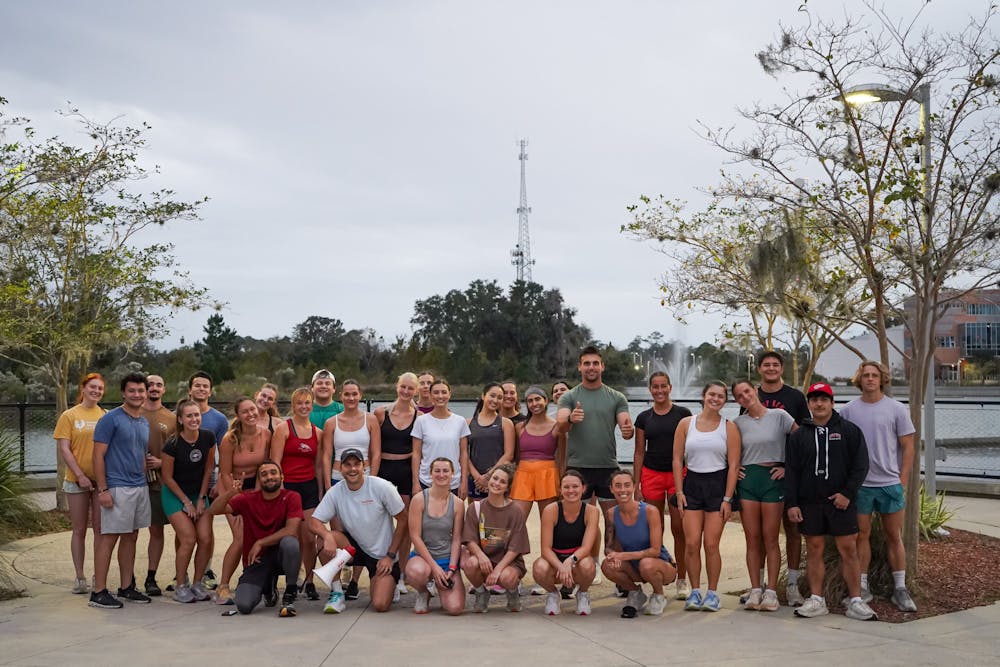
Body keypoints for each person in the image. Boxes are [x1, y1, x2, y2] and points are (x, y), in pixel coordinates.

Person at [785, 382, 877, 621]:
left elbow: (861, 466)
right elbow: (792, 471)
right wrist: (792, 503)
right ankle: (817, 599)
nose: (819, 403)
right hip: (810, 503)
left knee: (849, 550)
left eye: (823, 399)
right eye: (814, 399)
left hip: (841, 503)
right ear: (809, 404)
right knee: (814, 549)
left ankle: (856, 600)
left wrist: (847, 494)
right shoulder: (799, 435)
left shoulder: (849, 430)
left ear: (832, 402)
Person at [840, 361, 917, 612]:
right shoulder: (849, 411)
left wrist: (902, 480)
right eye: (866, 375)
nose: (870, 379)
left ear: (882, 379)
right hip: (861, 486)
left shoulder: (896, 408)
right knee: (861, 536)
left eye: (874, 375)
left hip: (890, 485)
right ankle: (862, 587)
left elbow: (908, 446)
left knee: (894, 536)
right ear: (859, 380)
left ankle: (900, 589)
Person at [556, 346, 634, 578]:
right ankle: (582, 564)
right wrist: (570, 418)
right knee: (576, 521)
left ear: (602, 366)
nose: (591, 367)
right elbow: (560, 424)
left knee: (613, 521)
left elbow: (625, 426)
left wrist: (628, 430)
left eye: (595, 363)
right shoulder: (570, 396)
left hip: (607, 467)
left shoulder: (616, 397)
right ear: (580, 367)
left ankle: (612, 564)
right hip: (578, 468)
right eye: (586, 363)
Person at [309, 448, 408, 614]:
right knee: (322, 540)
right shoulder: (336, 491)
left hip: (382, 556)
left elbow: (404, 520)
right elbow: (314, 521)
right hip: (354, 548)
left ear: (365, 467)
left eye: (357, 464)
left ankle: (390, 586)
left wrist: (390, 556)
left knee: (380, 605)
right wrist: (327, 535)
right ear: (340, 469)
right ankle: (337, 593)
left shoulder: (382, 487)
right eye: (347, 465)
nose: (352, 469)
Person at [673, 381, 740, 612]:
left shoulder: (729, 427)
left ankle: (712, 593)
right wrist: (679, 491)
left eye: (721, 396)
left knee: (711, 544)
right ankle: (694, 591)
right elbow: (676, 459)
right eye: (712, 394)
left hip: (717, 487)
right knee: (691, 543)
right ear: (703, 396)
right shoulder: (685, 424)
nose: (715, 399)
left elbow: (733, 466)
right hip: (692, 485)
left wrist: (728, 498)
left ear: (725, 401)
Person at [89, 372, 152, 609]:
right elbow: (98, 456)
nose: (137, 395)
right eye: (132, 391)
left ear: (145, 393)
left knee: (131, 536)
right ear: (124, 393)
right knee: (109, 538)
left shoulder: (143, 421)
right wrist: (103, 489)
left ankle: (127, 587)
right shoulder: (111, 419)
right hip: (116, 487)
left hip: (139, 486)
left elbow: (136, 452)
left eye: (140, 391)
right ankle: (98, 592)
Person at [732, 379, 796, 612]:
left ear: (755, 391)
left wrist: (788, 468)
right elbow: (726, 449)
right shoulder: (737, 423)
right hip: (748, 480)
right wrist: (733, 468)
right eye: (739, 395)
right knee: (752, 538)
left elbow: (802, 442)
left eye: (747, 391)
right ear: (737, 400)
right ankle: (755, 589)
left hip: (772, 479)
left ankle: (771, 591)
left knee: (770, 538)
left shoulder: (780, 416)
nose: (745, 397)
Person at [208, 460, 303, 617]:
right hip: (257, 560)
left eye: (273, 473)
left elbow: (291, 530)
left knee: (291, 543)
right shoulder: (248, 498)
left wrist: (261, 542)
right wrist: (231, 493)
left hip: (281, 556)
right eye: (264, 474)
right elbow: (214, 510)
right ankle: (268, 587)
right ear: (259, 480)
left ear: (282, 477)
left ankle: (290, 593)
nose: (269, 477)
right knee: (244, 605)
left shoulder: (292, 497)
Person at [754, 350, 810, 606]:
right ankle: (763, 585)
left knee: (792, 529)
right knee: (762, 534)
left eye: (775, 364)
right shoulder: (751, 396)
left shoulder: (795, 397)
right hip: (759, 475)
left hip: (790, 472)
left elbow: (805, 436)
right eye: (766, 365)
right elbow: (743, 432)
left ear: (781, 369)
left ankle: (792, 585)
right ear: (759, 369)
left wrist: (789, 467)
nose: (771, 368)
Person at [633, 371, 692, 600]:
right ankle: (660, 575)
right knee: (655, 529)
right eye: (655, 387)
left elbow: (691, 445)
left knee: (680, 528)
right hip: (652, 474)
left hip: (678, 474)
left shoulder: (682, 414)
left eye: (663, 386)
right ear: (650, 389)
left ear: (670, 387)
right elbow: (639, 452)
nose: (659, 391)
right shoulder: (644, 418)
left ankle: (682, 579)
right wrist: (636, 483)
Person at [321, 380, 381, 600]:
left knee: (363, 530)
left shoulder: (371, 419)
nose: (351, 398)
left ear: (360, 395)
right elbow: (327, 454)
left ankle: (355, 580)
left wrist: (373, 482)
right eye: (347, 394)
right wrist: (328, 484)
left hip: (365, 481)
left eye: (355, 394)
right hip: (338, 479)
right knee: (339, 533)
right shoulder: (331, 423)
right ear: (341, 396)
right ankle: (337, 585)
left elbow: (376, 453)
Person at [54, 372, 107, 595]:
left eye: (100, 389)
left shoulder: (105, 415)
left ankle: (98, 575)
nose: (96, 391)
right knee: (78, 529)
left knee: (100, 529)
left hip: (100, 481)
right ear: (83, 388)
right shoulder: (69, 415)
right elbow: (64, 448)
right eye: (92, 387)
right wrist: (80, 475)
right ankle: (79, 576)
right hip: (76, 481)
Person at [215, 397, 272, 604]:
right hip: (231, 489)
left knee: (257, 538)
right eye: (245, 411)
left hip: (255, 488)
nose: (251, 414)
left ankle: (252, 581)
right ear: (238, 415)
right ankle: (223, 586)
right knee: (240, 539)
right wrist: (236, 497)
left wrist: (257, 497)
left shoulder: (266, 434)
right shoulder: (230, 439)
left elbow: (264, 467)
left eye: (253, 410)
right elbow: (224, 473)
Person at [601, 469, 678, 617]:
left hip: (659, 564)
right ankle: (635, 592)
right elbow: (608, 547)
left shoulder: (650, 511)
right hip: (633, 566)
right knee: (607, 564)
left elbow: (655, 551)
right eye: (618, 485)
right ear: (611, 489)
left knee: (646, 564)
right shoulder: (611, 513)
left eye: (627, 485)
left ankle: (659, 595)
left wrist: (623, 556)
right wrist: (613, 556)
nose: (623, 490)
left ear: (634, 487)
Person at [160, 399, 215, 603]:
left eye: (197, 415)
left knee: (206, 538)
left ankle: (198, 583)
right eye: (189, 416)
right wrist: (186, 502)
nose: (194, 419)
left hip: (197, 493)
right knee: (189, 539)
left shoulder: (208, 437)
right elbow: (167, 477)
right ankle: (181, 585)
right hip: (175, 494)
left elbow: (209, 469)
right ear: (181, 419)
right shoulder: (172, 444)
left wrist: (201, 498)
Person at [271, 387, 323, 601]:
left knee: (309, 537)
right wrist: (279, 490)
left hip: (309, 487)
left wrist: (320, 491)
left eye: (307, 403)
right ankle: (288, 582)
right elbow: (275, 462)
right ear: (293, 405)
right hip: (287, 487)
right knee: (289, 538)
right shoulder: (284, 429)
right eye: (299, 403)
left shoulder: (317, 432)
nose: (304, 406)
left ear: (312, 405)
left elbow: (318, 466)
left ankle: (309, 581)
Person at [461, 463, 530, 613]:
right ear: (489, 479)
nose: (497, 483)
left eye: (502, 481)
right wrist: (480, 556)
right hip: (485, 560)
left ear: (507, 488)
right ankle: (481, 593)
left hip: (507, 562)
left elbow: (516, 547)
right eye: (495, 478)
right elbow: (469, 539)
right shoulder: (476, 508)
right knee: (470, 563)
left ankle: (512, 594)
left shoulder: (515, 511)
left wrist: (498, 570)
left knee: (507, 577)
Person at [374, 371, 420, 597]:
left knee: (405, 525)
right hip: (383, 471)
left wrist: (414, 483)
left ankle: (401, 574)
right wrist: (372, 478)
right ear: (397, 386)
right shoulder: (381, 414)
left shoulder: (419, 416)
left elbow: (417, 452)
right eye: (403, 387)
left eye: (411, 388)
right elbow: (374, 449)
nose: (406, 391)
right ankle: (383, 570)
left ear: (416, 391)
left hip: (405, 472)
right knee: (382, 523)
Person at [532, 470, 599, 616]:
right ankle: (553, 594)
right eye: (566, 487)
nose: (571, 491)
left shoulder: (591, 511)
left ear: (583, 488)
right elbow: (545, 549)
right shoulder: (551, 510)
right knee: (539, 568)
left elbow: (587, 547)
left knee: (588, 566)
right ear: (560, 489)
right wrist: (561, 566)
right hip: (555, 559)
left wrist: (570, 561)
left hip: (577, 559)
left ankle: (582, 593)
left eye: (575, 486)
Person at [405, 457, 465, 615]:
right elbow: (415, 536)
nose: (441, 474)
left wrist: (451, 569)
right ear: (430, 474)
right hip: (424, 559)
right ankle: (424, 591)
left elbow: (457, 538)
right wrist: (434, 568)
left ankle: (439, 585)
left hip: (446, 560)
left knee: (455, 608)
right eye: (437, 471)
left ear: (452, 474)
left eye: (446, 471)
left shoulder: (458, 503)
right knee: (416, 571)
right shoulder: (419, 500)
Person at [186, 370, 228, 590]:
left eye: (205, 386)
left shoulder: (219, 419)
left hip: (209, 480)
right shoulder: (180, 414)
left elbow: (225, 452)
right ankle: (181, 573)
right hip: (183, 482)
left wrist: (220, 481)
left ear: (210, 391)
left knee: (206, 529)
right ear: (190, 389)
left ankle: (205, 570)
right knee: (184, 531)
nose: (201, 389)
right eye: (197, 385)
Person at [140, 373, 176, 597]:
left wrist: (161, 462)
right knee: (129, 533)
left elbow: (178, 452)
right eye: (150, 384)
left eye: (158, 385)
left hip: (158, 483)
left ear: (164, 390)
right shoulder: (132, 413)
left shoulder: (171, 419)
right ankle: (127, 579)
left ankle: (151, 577)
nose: (154, 388)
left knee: (156, 530)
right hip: (132, 482)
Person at [411, 379, 470, 499]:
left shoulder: (460, 421)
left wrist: (464, 482)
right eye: (436, 392)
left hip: (453, 483)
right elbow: (416, 453)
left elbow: (463, 453)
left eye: (444, 392)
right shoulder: (421, 421)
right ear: (431, 395)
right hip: (427, 481)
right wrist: (416, 482)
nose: (440, 396)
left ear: (449, 394)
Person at [467, 382, 515, 501]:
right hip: (475, 480)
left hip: (498, 480)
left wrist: (489, 476)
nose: (495, 400)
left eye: (499, 398)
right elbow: (463, 454)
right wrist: (477, 477)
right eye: (492, 396)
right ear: (483, 396)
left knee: (498, 517)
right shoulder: (468, 423)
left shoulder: (506, 423)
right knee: (476, 516)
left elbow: (509, 454)